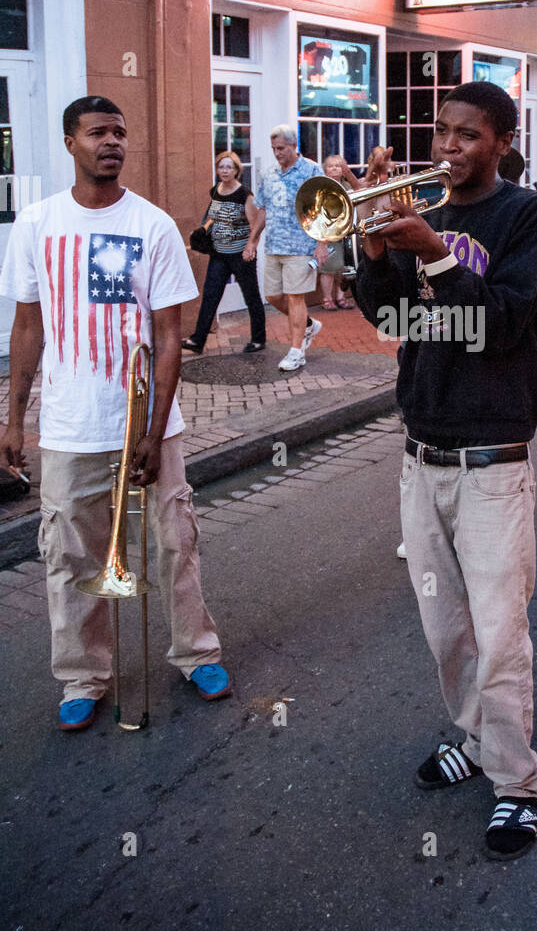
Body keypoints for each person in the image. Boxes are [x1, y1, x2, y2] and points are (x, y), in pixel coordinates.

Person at [355, 81, 537, 861]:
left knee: (500, 632)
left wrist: (435, 254)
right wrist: (376, 249)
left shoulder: (530, 216)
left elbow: (504, 324)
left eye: (467, 135)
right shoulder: (426, 213)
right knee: (446, 631)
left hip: (492, 460)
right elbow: (390, 320)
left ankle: (515, 782)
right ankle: (473, 738)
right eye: (442, 132)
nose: (447, 147)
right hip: (422, 451)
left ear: (502, 141)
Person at [0, 96, 231, 730]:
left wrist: (154, 431)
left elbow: (167, 336)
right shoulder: (38, 224)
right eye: (98, 132)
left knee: (174, 542)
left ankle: (196, 651)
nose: (112, 142)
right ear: (70, 141)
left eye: (120, 133)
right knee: (71, 554)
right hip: (71, 425)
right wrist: (14, 420)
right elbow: (28, 325)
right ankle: (83, 674)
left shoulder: (152, 224)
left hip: (148, 424)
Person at [245, 126, 326, 371]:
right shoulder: (269, 174)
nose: (277, 153)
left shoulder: (311, 170)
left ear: (293, 146)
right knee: (272, 296)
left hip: (302, 246)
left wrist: (322, 243)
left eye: (281, 148)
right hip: (274, 246)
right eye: (273, 149)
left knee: (295, 297)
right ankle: (309, 325)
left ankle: (296, 351)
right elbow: (263, 209)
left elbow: (325, 209)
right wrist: (253, 239)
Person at [181, 151, 267, 352]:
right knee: (210, 295)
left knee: (251, 295)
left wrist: (250, 247)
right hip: (219, 254)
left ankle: (258, 339)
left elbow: (255, 225)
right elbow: (213, 216)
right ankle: (198, 340)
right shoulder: (216, 190)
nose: (225, 171)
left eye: (229, 167)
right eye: (221, 167)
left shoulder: (245, 195)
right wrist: (203, 230)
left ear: (236, 170)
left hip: (240, 254)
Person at [318, 154, 356, 310]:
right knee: (328, 268)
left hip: (346, 232)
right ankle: (327, 299)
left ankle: (341, 297)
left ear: (344, 169)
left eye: (338, 165)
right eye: (330, 166)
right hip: (328, 232)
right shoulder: (321, 187)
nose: (334, 168)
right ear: (325, 170)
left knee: (344, 267)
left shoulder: (348, 187)